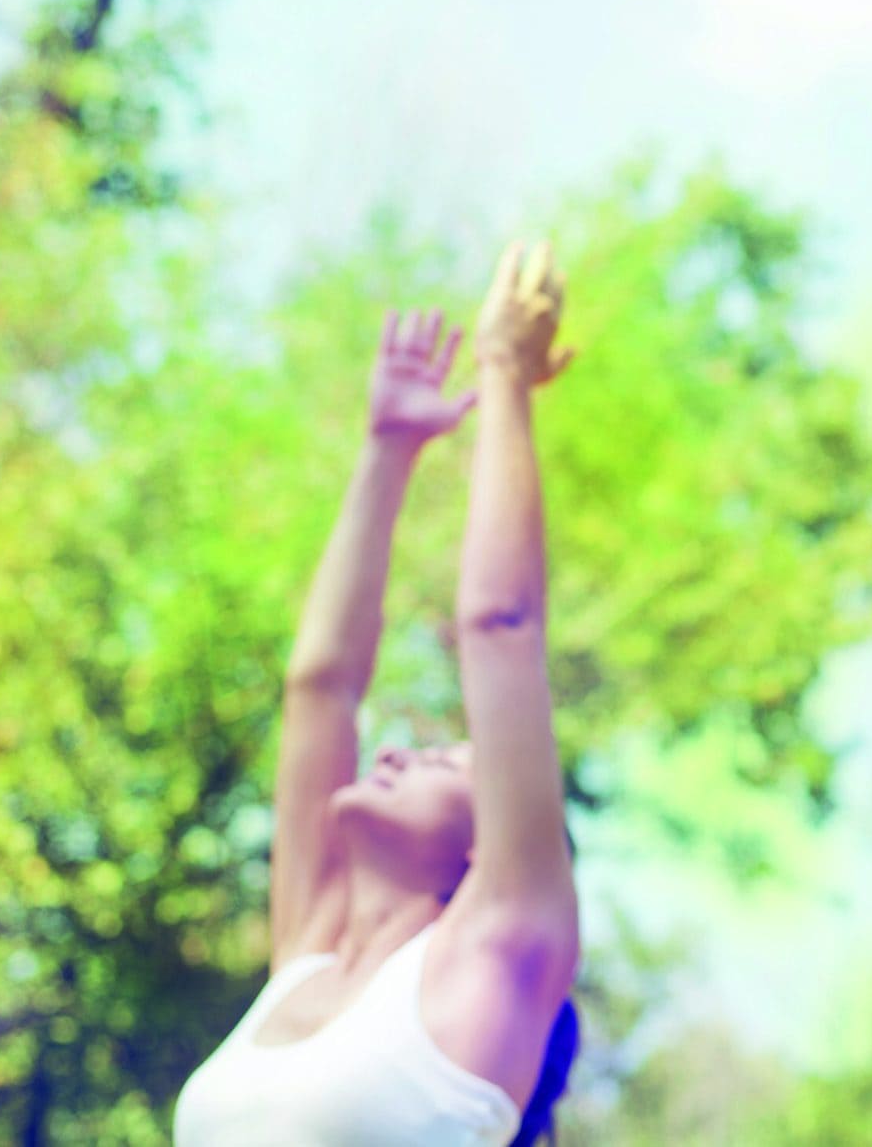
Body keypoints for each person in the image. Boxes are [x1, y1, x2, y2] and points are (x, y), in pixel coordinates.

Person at [176, 241, 581, 1146]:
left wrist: (504, 375)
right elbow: (321, 689)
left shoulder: (498, 952)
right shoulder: (306, 954)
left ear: (490, 851)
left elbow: (502, 628)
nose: (394, 750)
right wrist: (388, 448)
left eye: (440, 758)